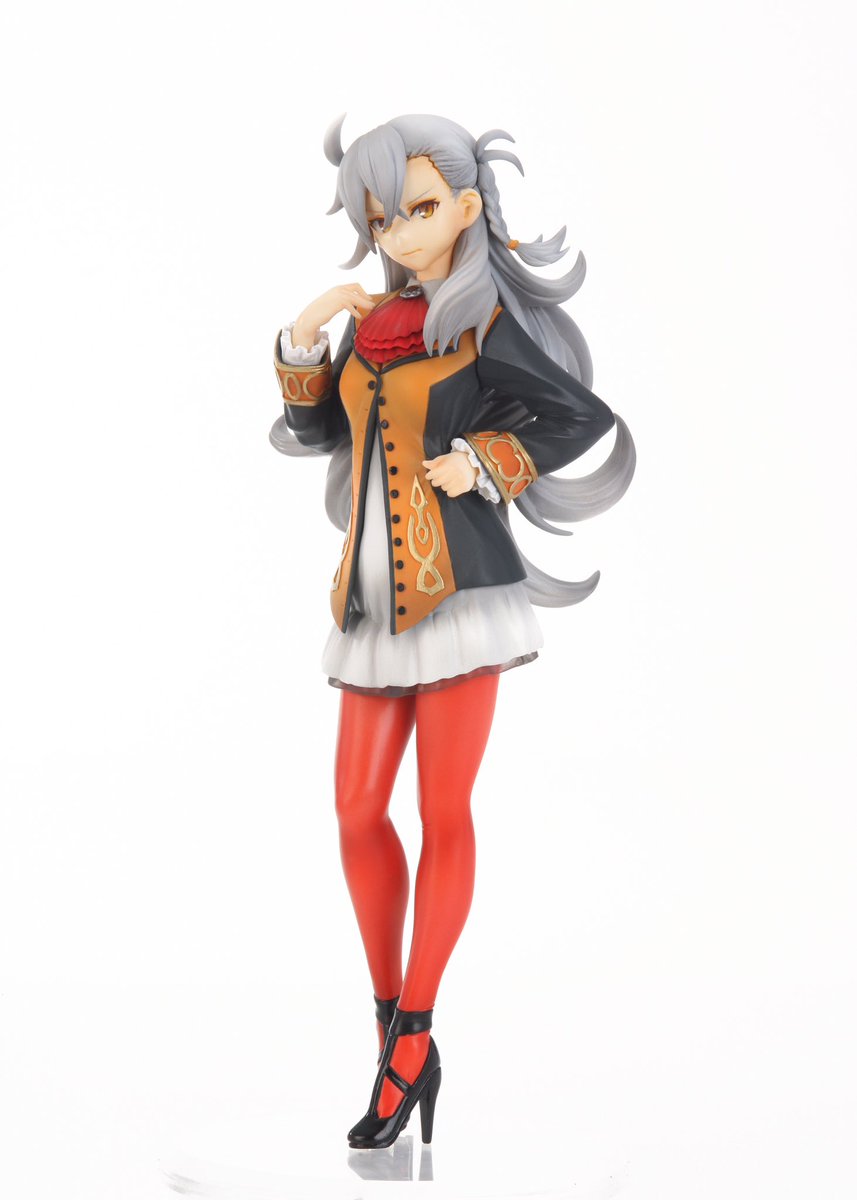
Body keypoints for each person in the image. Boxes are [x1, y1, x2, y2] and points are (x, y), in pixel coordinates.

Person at [270, 113, 634, 1150]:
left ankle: (413, 1033)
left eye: (417, 207)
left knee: (441, 809)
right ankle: (394, 1027)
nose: (395, 230)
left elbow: (578, 418)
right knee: (355, 810)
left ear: (468, 208)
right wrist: (305, 338)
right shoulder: (374, 326)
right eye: (380, 215)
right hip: (370, 600)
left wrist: (484, 462)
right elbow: (317, 429)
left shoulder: (481, 326)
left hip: (461, 594)